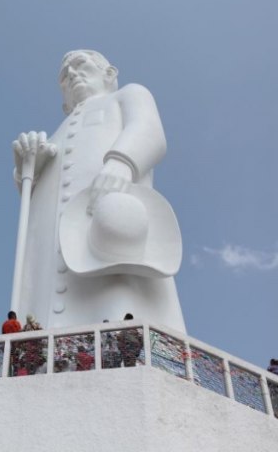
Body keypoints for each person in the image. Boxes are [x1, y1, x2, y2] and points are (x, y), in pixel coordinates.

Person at [11, 50, 185, 333]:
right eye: (65, 78)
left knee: (115, 296)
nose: (72, 76)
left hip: (106, 226)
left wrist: (123, 160)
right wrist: (27, 168)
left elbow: (148, 129)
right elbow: (31, 199)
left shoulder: (127, 95)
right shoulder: (55, 135)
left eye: (81, 66)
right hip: (52, 248)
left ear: (109, 74)